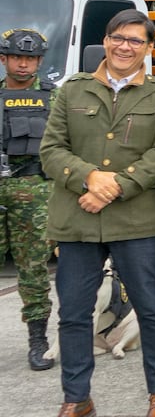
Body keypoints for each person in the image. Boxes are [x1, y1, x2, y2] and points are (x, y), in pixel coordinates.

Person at [40, 9, 155, 417]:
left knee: (151, 307)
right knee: (74, 312)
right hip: (78, 217)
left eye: (136, 40)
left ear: (149, 49)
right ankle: (76, 398)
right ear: (105, 41)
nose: (125, 46)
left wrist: (115, 185)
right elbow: (51, 149)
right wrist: (89, 178)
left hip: (138, 217)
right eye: (118, 37)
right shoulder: (73, 89)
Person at [0, 27, 57, 371]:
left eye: (30, 58)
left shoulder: (54, 97)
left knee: (33, 269)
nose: (23, 65)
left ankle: (38, 339)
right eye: (17, 57)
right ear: (4, 59)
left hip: (35, 189)